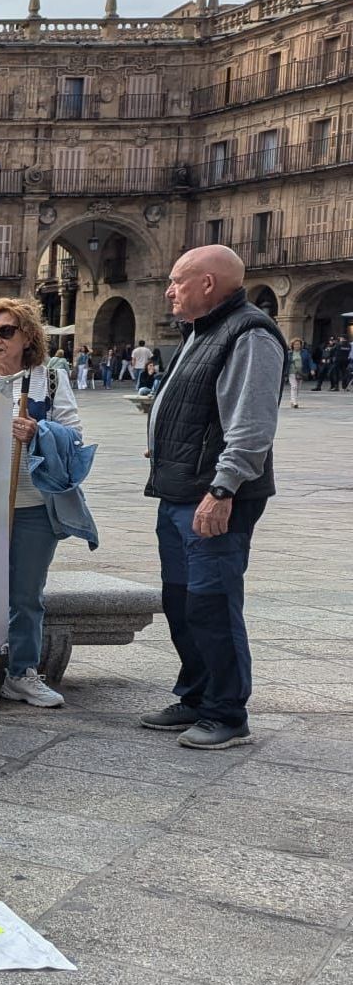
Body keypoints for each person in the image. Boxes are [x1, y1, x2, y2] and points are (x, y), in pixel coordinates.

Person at [142, 244, 285, 750]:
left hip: (214, 495)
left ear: (207, 284)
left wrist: (223, 488)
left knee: (212, 602)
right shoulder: (203, 331)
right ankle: (197, 694)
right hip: (179, 490)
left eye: (178, 280)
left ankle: (227, 711)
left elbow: (251, 425)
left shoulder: (250, 334)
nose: (169, 290)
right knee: (180, 600)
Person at [0, 298, 85, 711]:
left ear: (28, 335)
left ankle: (21, 673)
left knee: (27, 594)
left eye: (5, 331)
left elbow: (73, 434)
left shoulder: (47, 380)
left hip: (34, 504)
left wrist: (38, 430)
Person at [287, 338, 311, 408]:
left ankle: (293, 400)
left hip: (301, 372)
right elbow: (285, 362)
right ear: (292, 345)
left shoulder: (305, 352)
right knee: (294, 386)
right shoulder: (289, 353)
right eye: (295, 344)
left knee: (298, 388)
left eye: (298, 344)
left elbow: (310, 361)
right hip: (291, 372)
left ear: (301, 345)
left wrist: (312, 369)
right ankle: (294, 402)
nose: (297, 346)